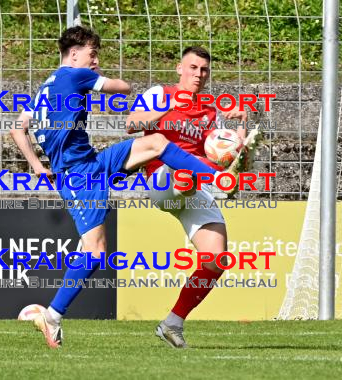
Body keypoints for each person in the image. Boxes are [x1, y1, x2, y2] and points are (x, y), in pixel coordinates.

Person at [11, 27, 236, 349]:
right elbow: (123, 87)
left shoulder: (45, 87)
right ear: (74, 54)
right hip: (79, 176)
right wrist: (98, 76)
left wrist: (36, 166)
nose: (96, 60)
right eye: (93, 54)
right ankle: (52, 315)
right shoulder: (75, 75)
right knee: (95, 251)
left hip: (91, 164)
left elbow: (18, 129)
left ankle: (213, 176)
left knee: (155, 142)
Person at [126, 46, 256, 348]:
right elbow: (132, 123)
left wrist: (238, 142)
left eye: (204, 70)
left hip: (195, 187)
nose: (199, 74)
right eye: (193, 67)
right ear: (179, 68)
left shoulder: (211, 112)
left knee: (216, 259)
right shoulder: (159, 93)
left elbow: (218, 157)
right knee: (184, 176)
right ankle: (206, 181)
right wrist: (171, 105)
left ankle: (173, 323)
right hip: (162, 180)